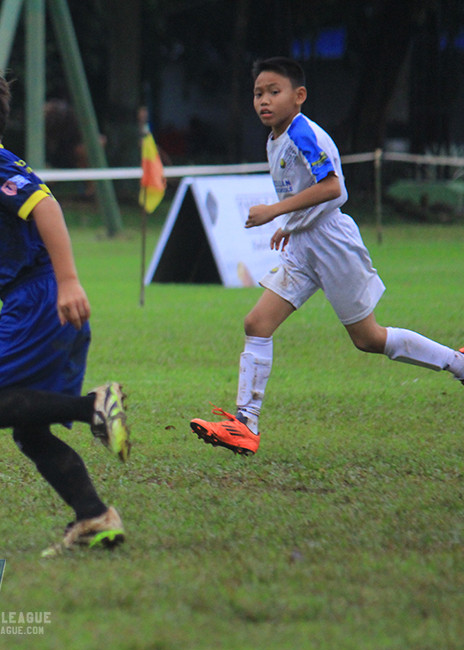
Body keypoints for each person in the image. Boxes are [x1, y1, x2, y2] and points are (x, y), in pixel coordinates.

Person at [189, 56, 464, 456]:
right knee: (257, 322)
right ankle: (245, 425)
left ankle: (458, 365)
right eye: (258, 93)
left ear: (299, 96)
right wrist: (292, 225)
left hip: (332, 243)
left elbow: (333, 188)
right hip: (304, 244)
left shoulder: (303, 134)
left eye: (273, 92)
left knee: (368, 338)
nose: (263, 100)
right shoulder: (276, 137)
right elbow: (306, 193)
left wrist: (275, 212)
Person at [0, 64, 131, 557]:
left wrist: (66, 282)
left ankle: (92, 406)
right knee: (28, 428)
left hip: (38, 301)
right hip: (36, 299)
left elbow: (46, 207)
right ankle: (94, 516)